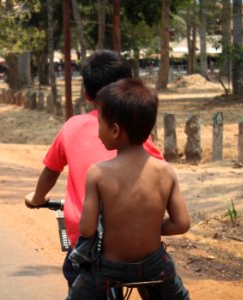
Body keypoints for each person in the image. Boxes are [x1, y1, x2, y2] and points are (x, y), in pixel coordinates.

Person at [24, 50, 164, 289]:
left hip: (91, 247)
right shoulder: (138, 133)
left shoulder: (72, 127)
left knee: (77, 276)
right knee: (154, 281)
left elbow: (51, 170)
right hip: (138, 244)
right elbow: (158, 176)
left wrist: (37, 198)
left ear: (88, 95)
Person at [67, 78, 190, 299]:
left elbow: (86, 229)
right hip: (155, 265)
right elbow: (181, 223)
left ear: (114, 130)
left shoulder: (98, 173)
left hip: (109, 268)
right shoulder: (166, 171)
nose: (98, 131)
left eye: (100, 124)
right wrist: (149, 227)